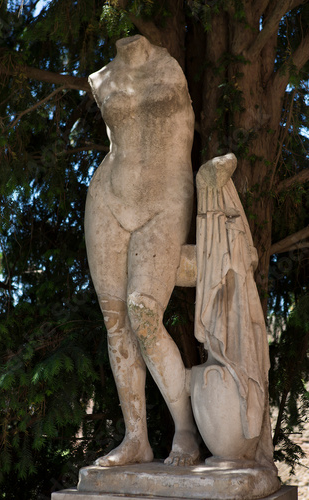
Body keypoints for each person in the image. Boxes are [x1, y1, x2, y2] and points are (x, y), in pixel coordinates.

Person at [85, 35, 200, 467]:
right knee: (116, 324)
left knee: (144, 311)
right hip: (109, 199)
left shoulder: (169, 66)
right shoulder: (101, 78)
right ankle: (137, 437)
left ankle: (185, 432)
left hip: (166, 195)